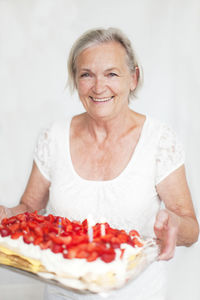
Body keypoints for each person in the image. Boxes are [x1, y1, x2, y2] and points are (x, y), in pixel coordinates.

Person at [0, 27, 199, 300]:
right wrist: (6, 214)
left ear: (134, 78)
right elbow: (27, 211)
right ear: (75, 80)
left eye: (112, 74)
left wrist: (174, 223)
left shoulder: (159, 140)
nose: (98, 87)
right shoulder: (53, 138)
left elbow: (191, 227)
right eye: (86, 75)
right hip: (61, 295)